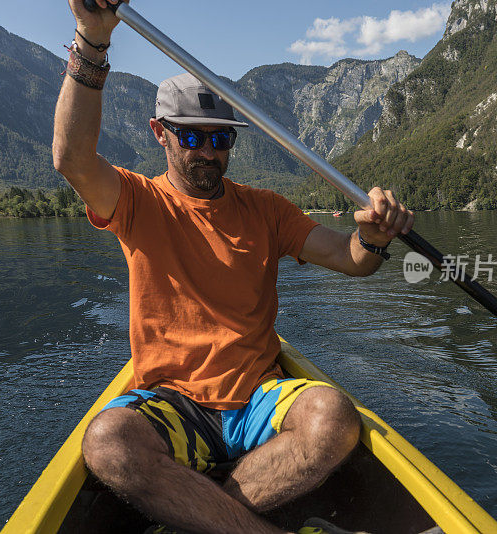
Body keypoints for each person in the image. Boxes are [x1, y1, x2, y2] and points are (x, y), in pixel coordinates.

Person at [54, 1, 415, 533]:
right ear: (160, 133)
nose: (208, 153)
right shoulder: (137, 202)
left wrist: (372, 238)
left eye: (220, 140)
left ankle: (205, 514)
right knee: (108, 443)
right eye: (193, 138)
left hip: (255, 400)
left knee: (334, 419)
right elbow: (72, 159)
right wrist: (91, 38)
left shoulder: (266, 209)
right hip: (173, 403)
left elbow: (349, 259)